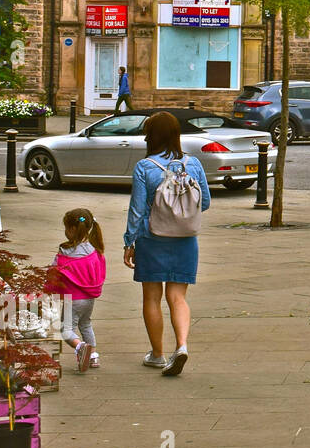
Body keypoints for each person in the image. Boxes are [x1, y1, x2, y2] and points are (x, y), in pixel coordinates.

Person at [123, 111, 210, 376]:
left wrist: (129, 242)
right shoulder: (193, 163)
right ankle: (181, 346)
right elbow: (204, 202)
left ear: (152, 135)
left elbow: (137, 210)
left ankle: (158, 355)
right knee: (178, 297)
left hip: (152, 239)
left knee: (151, 297)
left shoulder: (145, 166)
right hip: (185, 239)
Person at [46, 207, 107, 373]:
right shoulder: (95, 251)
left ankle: (80, 347)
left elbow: (53, 272)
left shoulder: (65, 252)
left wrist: (47, 289)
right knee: (86, 324)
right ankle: (93, 356)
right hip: (89, 298)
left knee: (66, 330)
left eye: (66, 228)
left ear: (72, 229)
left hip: (71, 298)